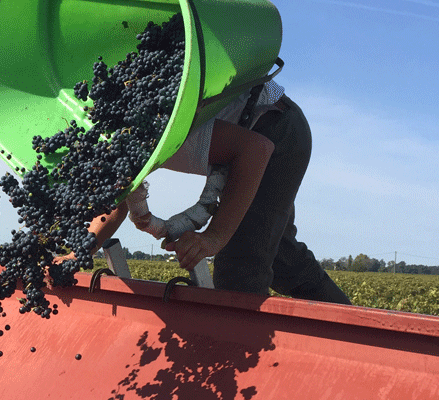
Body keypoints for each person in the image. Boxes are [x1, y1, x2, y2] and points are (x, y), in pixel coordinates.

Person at [84, 80, 351, 305]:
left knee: (240, 269)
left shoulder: (156, 129)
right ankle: (355, 333)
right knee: (281, 257)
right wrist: (77, 254)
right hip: (259, 134)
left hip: (276, 131)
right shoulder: (116, 145)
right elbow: (115, 201)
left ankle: (245, 357)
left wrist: (213, 237)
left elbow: (254, 150)